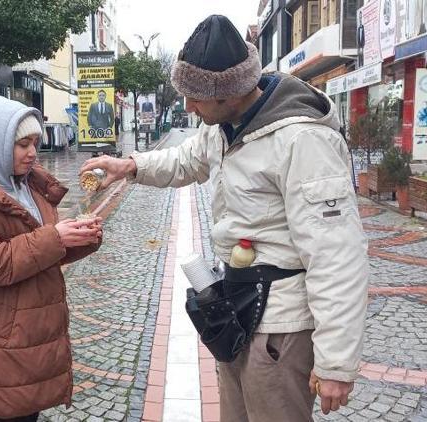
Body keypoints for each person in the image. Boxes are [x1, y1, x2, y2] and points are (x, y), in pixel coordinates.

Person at [80, 15, 368, 421]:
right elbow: (184, 159)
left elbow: (337, 254)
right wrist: (128, 166)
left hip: (279, 330)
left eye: (196, 98)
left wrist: (337, 363)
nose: (188, 107)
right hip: (235, 311)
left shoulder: (302, 140)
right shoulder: (225, 126)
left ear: (229, 91)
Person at [0, 96, 103, 421]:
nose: (32, 153)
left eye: (35, 143)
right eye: (21, 144)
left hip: (27, 340)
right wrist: (56, 237)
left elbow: (36, 250)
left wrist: (80, 238)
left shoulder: (26, 186)